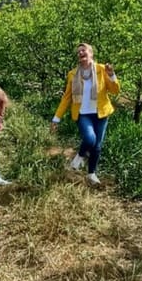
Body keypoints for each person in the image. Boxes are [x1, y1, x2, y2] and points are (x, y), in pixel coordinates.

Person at [51, 43, 120, 185]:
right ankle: (79, 158)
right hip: (83, 113)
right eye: (78, 52)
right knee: (90, 139)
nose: (80, 53)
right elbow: (67, 98)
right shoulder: (72, 74)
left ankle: (91, 173)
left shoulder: (102, 69)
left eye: (83, 50)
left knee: (97, 146)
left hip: (101, 113)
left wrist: (111, 75)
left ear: (91, 53)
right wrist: (56, 118)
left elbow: (115, 91)